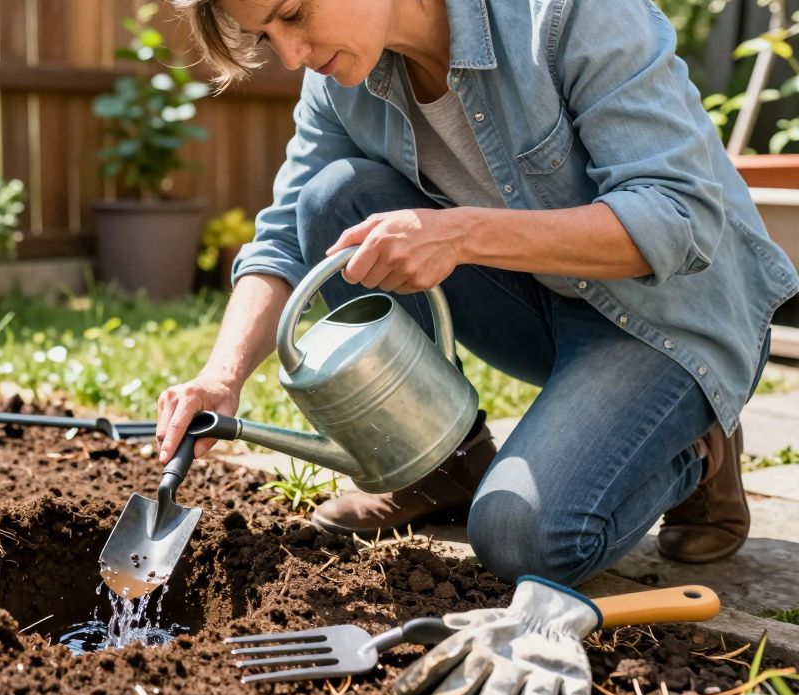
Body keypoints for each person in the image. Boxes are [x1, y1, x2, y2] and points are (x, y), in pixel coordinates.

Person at [155, 0, 799, 587]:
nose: (291, 54)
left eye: (293, 14)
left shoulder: (570, 15)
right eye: (267, 36)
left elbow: (675, 219)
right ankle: (446, 466)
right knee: (335, 198)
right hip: (542, 301)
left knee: (523, 539)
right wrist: (222, 375)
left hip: (670, 316)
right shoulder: (339, 84)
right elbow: (284, 241)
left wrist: (460, 233)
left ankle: (695, 445)